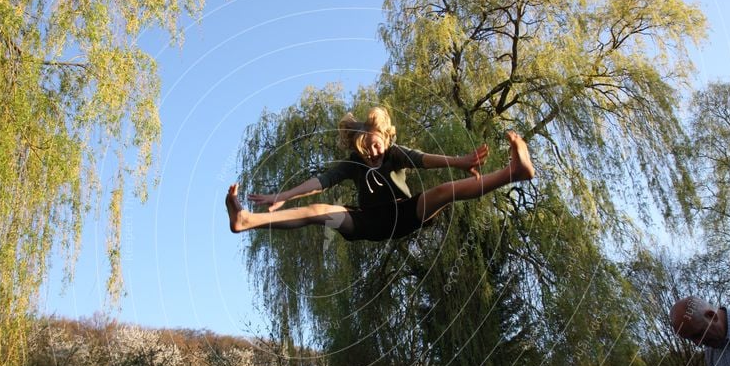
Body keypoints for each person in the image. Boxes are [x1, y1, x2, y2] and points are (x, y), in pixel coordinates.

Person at [226, 106, 535, 242]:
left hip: (405, 214)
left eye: (373, 145)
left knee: (442, 192)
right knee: (320, 211)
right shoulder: (353, 164)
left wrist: (459, 161)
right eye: (364, 149)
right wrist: (284, 195)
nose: (371, 153)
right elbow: (319, 183)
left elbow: (425, 160)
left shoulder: (395, 153)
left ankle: (513, 172)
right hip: (364, 222)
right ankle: (248, 220)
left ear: (386, 137)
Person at [669, 296, 730, 366]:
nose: (698, 344)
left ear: (711, 316)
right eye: (691, 339)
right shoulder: (711, 355)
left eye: (698, 334)